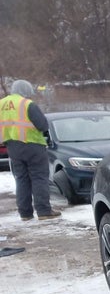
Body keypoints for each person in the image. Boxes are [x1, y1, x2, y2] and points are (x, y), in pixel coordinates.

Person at [0, 80, 61, 220]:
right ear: (25, 91)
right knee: (39, 177)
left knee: (21, 179)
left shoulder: (2, 104)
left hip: (12, 146)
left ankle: (25, 213)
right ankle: (44, 211)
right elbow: (43, 125)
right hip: (32, 145)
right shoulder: (27, 104)